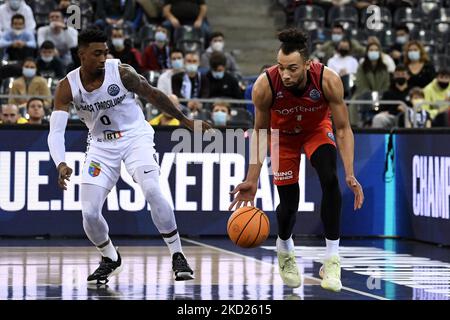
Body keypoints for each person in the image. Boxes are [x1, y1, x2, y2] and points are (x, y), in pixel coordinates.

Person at [47, 28, 211, 285]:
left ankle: (177, 254)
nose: (103, 58)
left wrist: (185, 121)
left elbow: (154, 94)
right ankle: (110, 258)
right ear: (82, 54)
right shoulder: (67, 86)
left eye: (105, 52)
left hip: (135, 137)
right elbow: (56, 131)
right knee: (89, 213)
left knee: (153, 190)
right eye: (97, 53)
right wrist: (61, 162)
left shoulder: (121, 72)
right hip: (101, 146)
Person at [229, 28, 364, 292]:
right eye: (281, 67)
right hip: (282, 137)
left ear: (307, 64)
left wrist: (350, 172)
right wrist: (251, 179)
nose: (285, 74)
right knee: (289, 203)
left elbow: (344, 128)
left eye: (292, 68)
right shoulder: (264, 85)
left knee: (330, 179)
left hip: (316, 129)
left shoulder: (328, 79)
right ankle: (285, 249)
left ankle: (332, 259)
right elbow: (260, 132)